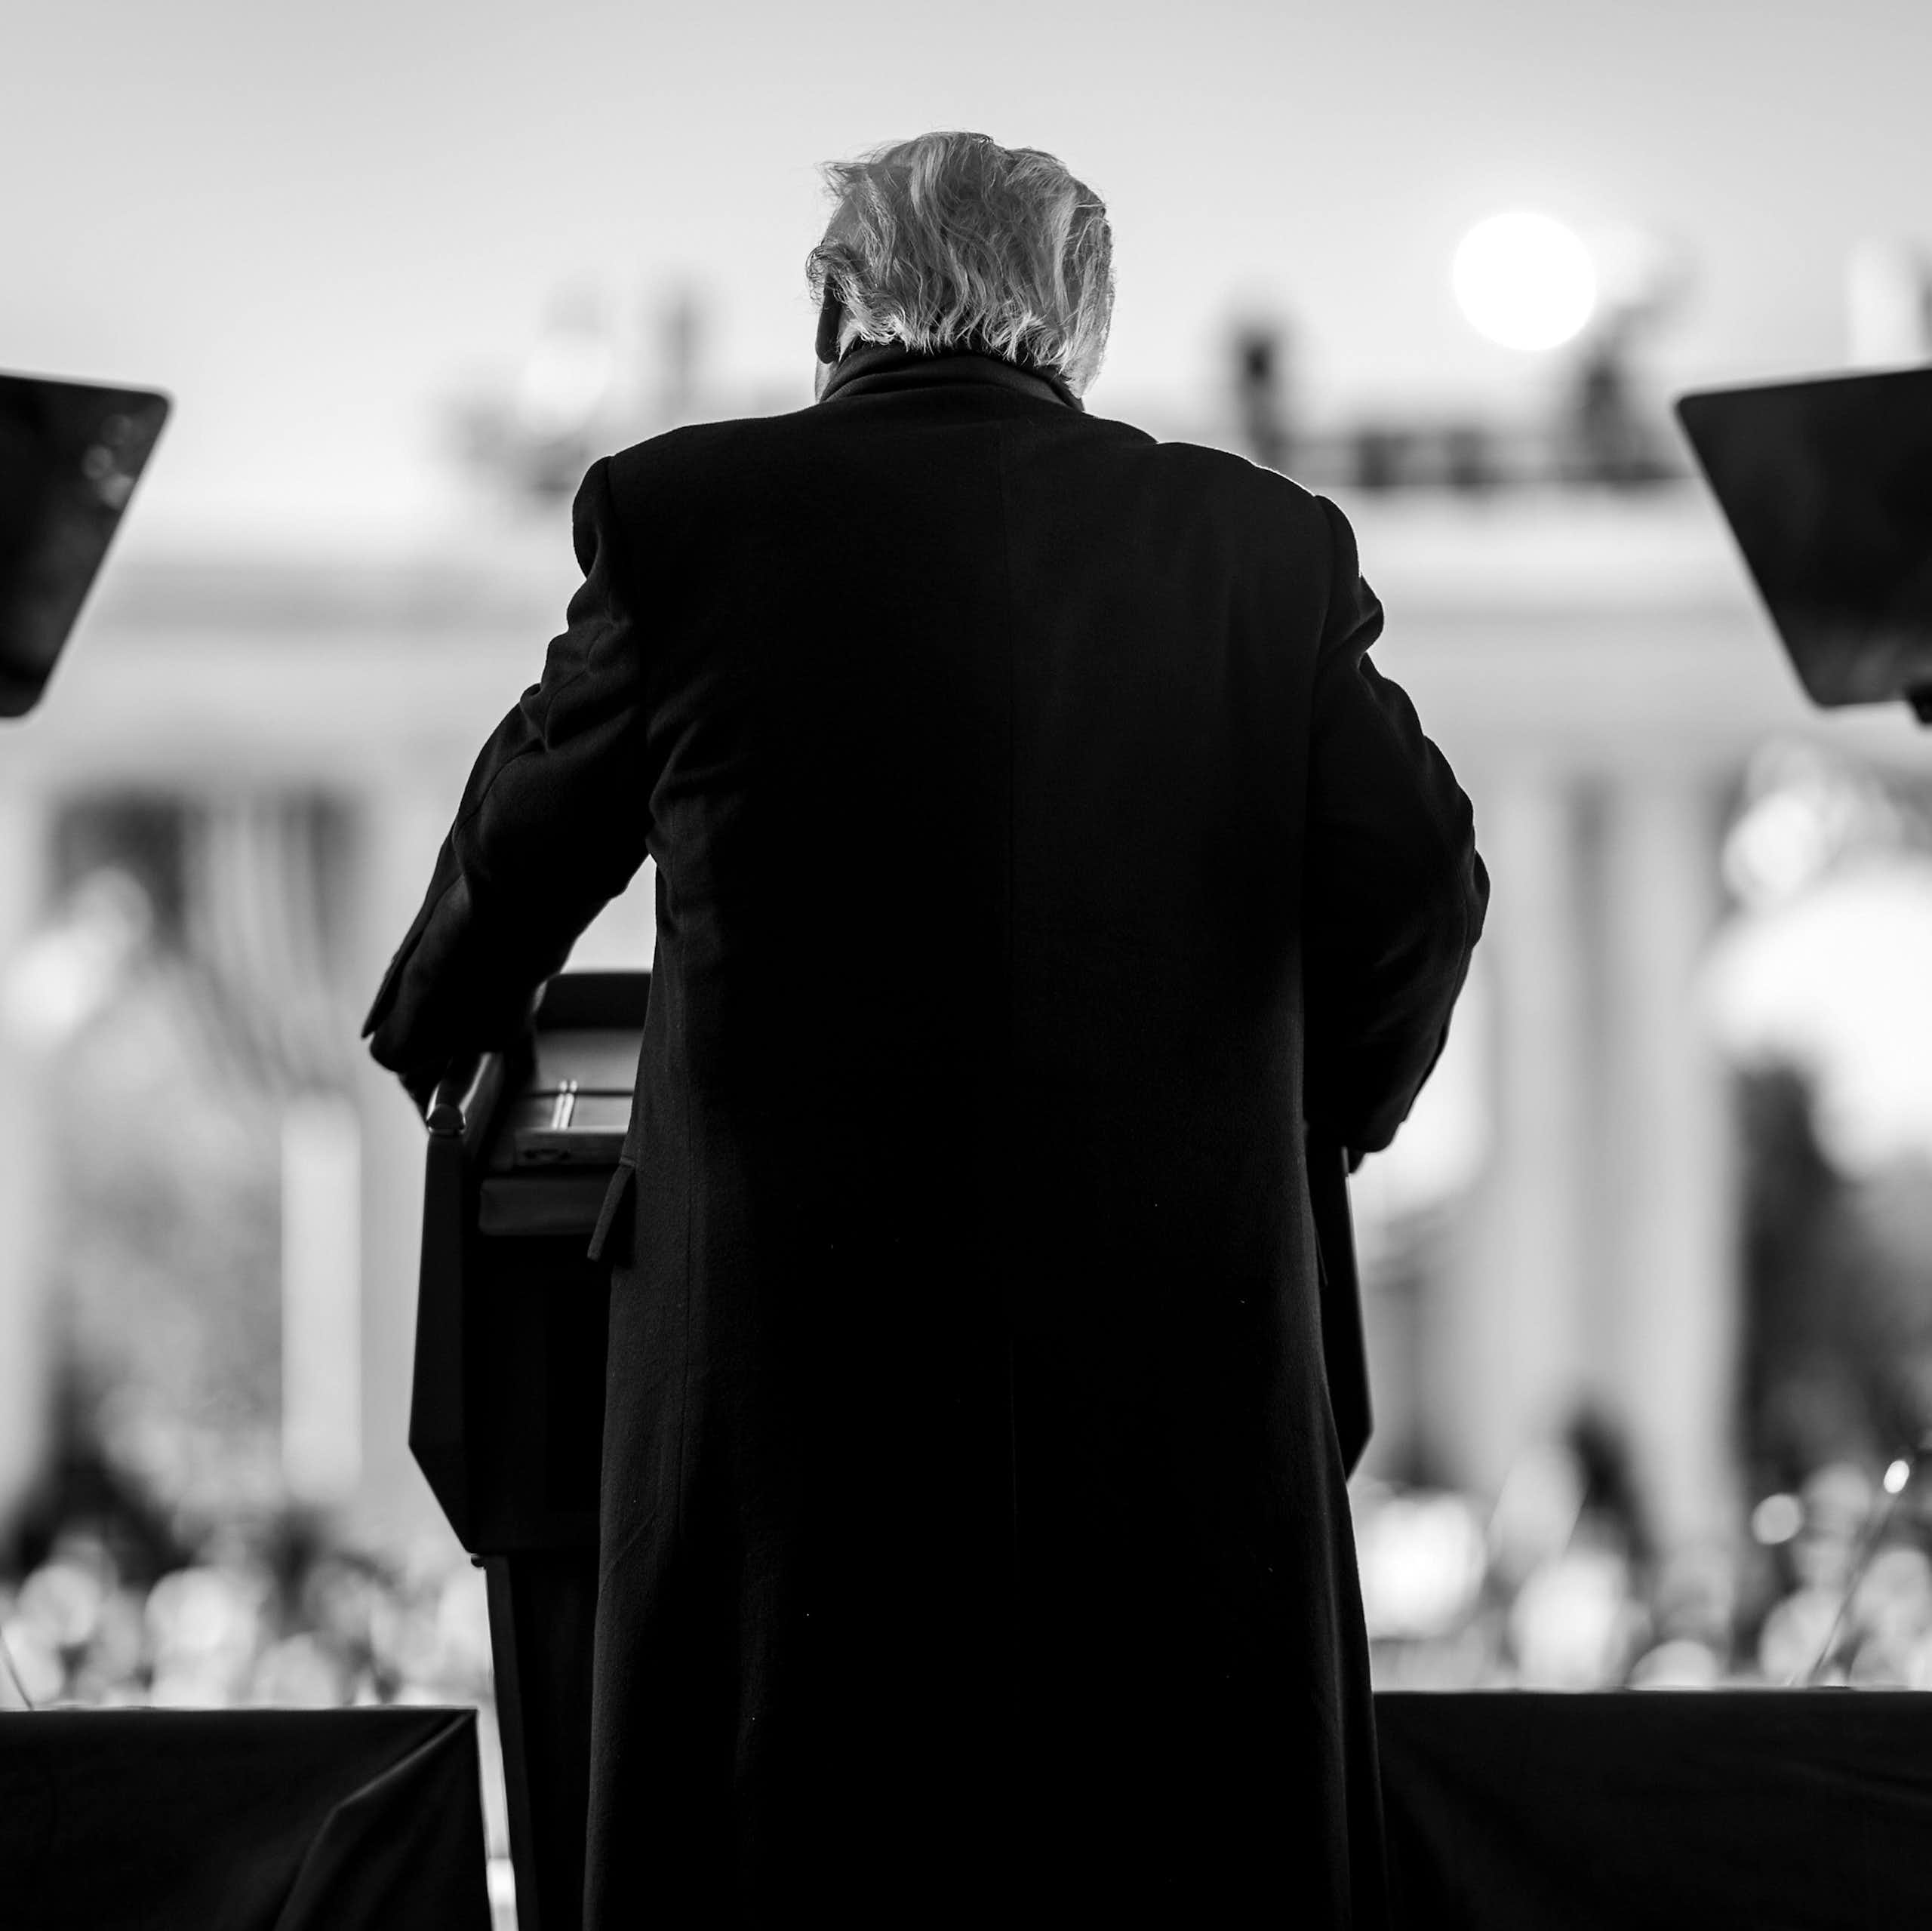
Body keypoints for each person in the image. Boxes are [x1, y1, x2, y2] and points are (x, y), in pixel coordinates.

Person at [365, 130, 1487, 1929]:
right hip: (1176, 1356)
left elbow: (525, 837)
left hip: (784, 1369)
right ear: (1084, 330)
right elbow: (1420, 884)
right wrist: (1324, 1116)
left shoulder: (683, 517)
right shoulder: (1256, 547)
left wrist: (433, 1024)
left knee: (783, 1828)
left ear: (828, 306)